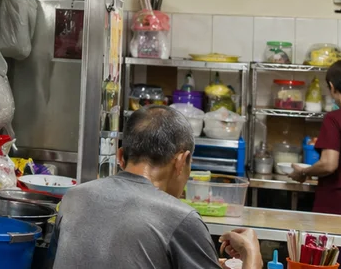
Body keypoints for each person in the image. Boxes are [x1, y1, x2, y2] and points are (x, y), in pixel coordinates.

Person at [53, 105, 261, 269]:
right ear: (181, 161)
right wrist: (252, 256)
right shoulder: (182, 219)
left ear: (120, 157)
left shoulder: (73, 198)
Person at [290, 60, 341, 267]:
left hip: (333, 212)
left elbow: (329, 164)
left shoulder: (335, 118)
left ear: (332, 86)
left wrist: (304, 172)